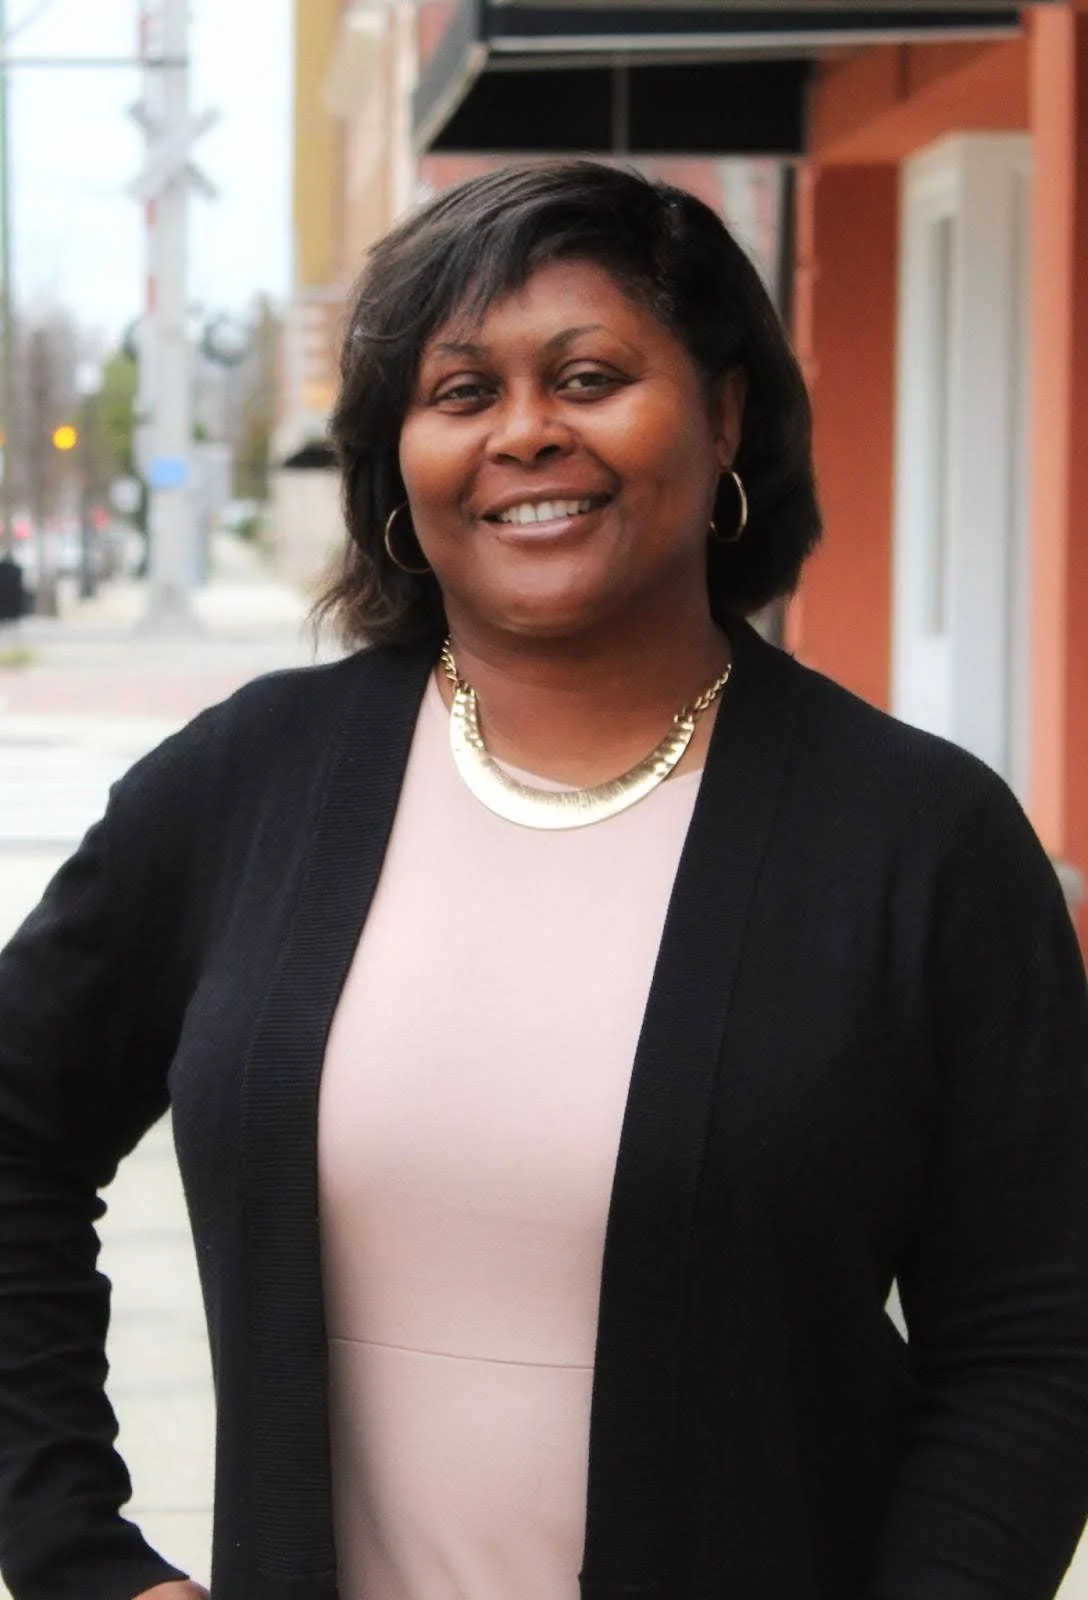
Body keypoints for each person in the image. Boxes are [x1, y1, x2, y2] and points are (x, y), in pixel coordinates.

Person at [0, 160, 1086, 1600]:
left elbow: (1034, 1335)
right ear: (400, 458)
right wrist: (75, 1557)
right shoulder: (249, 785)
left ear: (728, 413)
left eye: (589, 376)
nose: (525, 434)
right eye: (461, 394)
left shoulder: (918, 839)